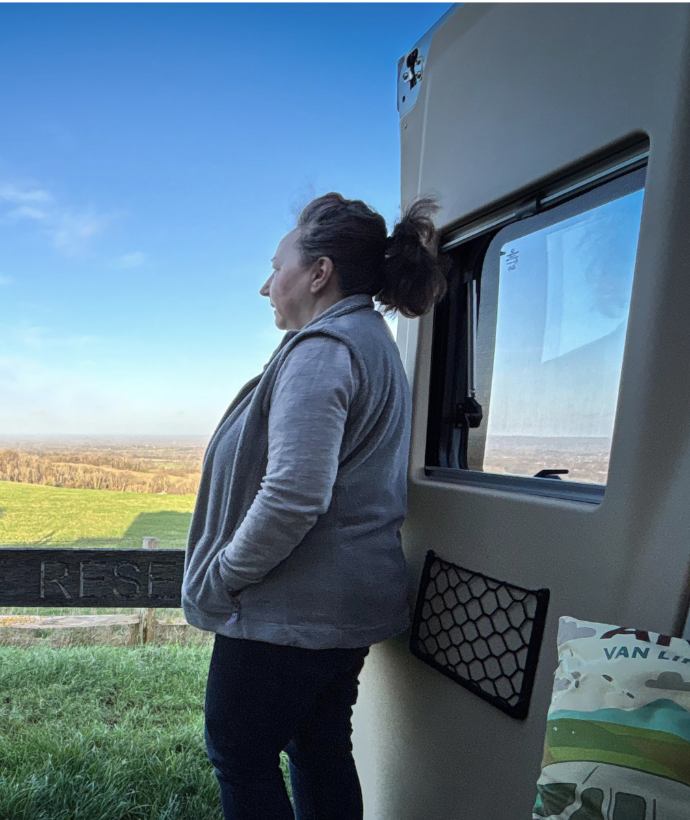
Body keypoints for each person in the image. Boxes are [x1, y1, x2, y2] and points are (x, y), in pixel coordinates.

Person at [180, 193, 449, 819]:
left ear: (319, 272)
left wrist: (225, 576)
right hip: (346, 604)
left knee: (239, 754)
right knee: (320, 746)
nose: (266, 284)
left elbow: (294, 494)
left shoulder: (323, 349)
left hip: (292, 610)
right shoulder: (370, 340)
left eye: (278, 266)